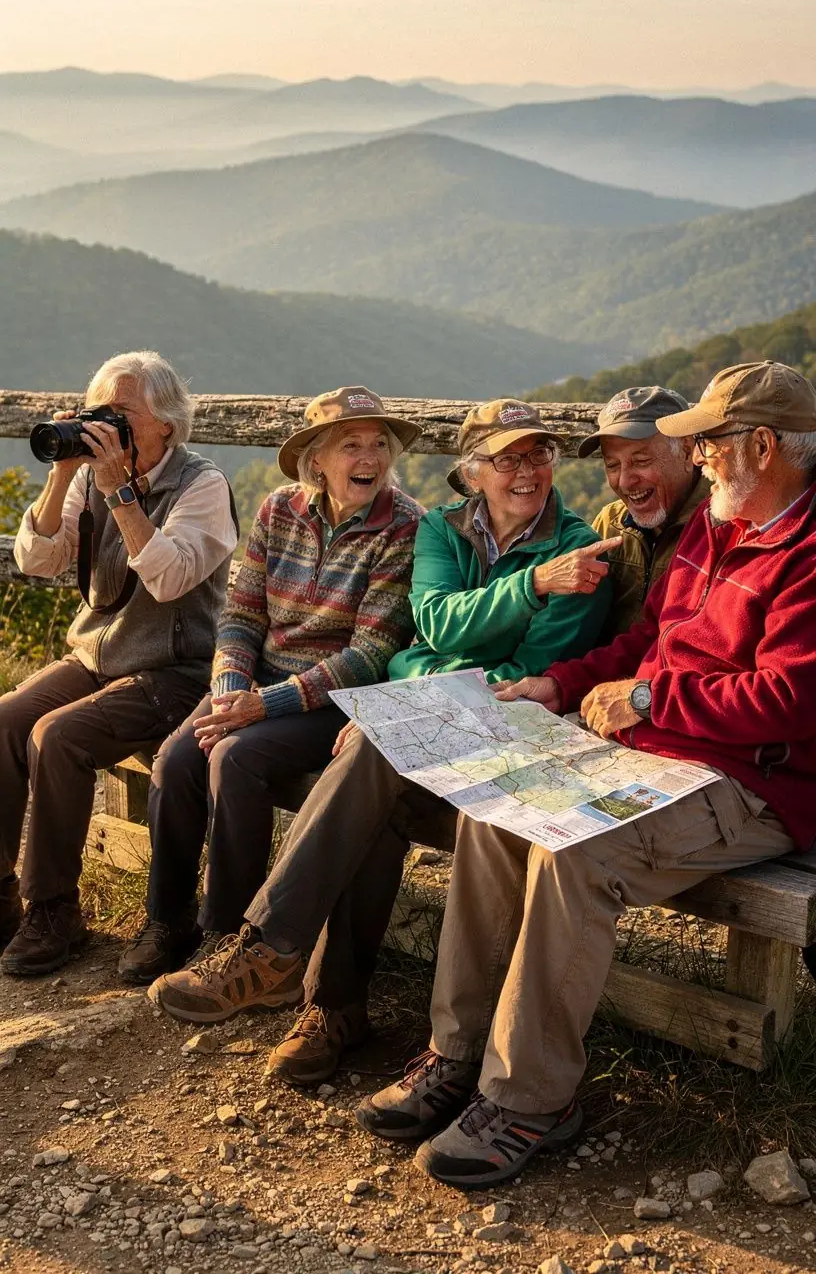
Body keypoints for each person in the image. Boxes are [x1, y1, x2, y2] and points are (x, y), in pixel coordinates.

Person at [358, 360, 816, 1190]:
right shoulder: (716, 527)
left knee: (578, 853)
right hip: (666, 755)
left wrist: (649, 699)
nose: (699, 458)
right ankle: (457, 1054)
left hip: (756, 785)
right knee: (496, 811)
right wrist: (559, 685)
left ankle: (533, 1098)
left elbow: (788, 700)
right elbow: (648, 642)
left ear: (761, 445)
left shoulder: (808, 551)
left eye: (708, 443)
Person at [147, 397, 619, 1085]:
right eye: (509, 457)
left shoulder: (576, 550)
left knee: (369, 749)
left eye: (540, 454)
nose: (528, 471)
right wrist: (517, 603)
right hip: (434, 717)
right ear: (474, 472)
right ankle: (328, 1005)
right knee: (370, 772)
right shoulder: (445, 533)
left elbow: (529, 672)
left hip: (515, 734)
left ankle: (273, 954)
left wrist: (440, 669)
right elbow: (428, 631)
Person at [118, 386, 423, 984]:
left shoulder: (403, 525)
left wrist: (263, 706)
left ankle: (228, 938)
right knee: (176, 760)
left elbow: (371, 655)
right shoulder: (280, 508)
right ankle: (167, 920)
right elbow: (242, 614)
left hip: (333, 701)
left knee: (234, 759)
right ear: (316, 459)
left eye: (378, 445)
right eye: (351, 446)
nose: (369, 458)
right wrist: (232, 685)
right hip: (254, 684)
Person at [0, 351, 238, 976]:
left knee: (57, 736)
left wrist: (120, 495)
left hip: (177, 669)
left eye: (121, 413)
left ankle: (52, 907)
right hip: (102, 655)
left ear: (166, 423)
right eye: (98, 412)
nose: (107, 425)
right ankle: (3, 893)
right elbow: (37, 561)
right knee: (5, 720)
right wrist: (62, 474)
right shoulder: (90, 477)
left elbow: (169, 579)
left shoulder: (202, 485)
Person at [579, 385, 707, 640]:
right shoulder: (609, 524)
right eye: (612, 465)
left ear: (686, 450)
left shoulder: (724, 524)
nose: (625, 481)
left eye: (641, 461)